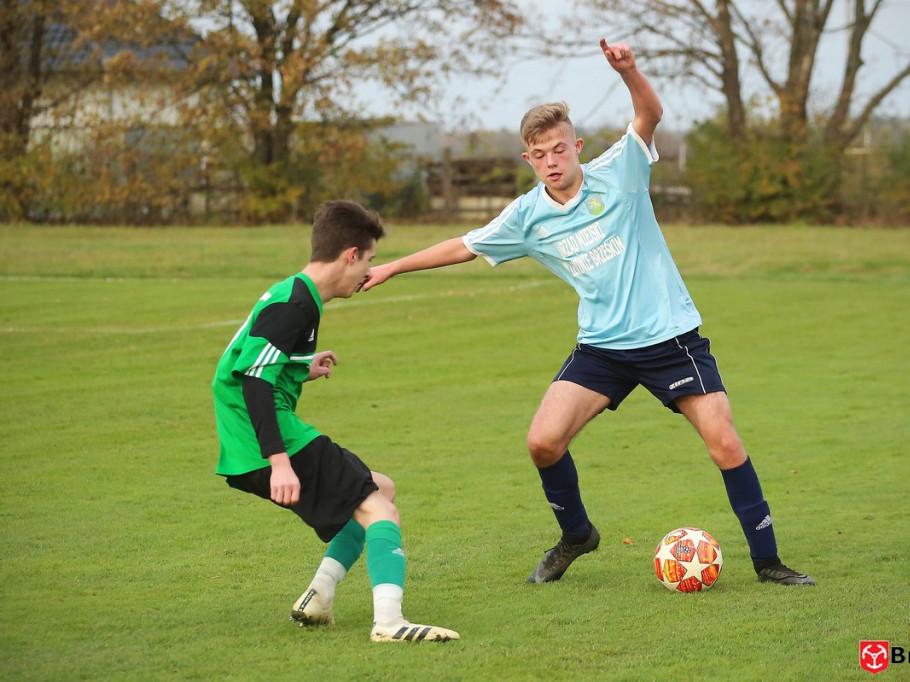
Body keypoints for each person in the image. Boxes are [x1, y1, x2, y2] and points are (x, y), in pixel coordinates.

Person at [362, 40, 815, 587]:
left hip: (669, 338)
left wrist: (629, 71)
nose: (551, 162)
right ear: (527, 160)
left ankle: (768, 562)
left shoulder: (620, 169)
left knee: (725, 442)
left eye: (559, 149)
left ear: (575, 145)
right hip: (602, 347)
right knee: (542, 442)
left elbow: (650, 114)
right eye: (539, 154)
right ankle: (577, 534)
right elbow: (464, 245)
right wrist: (391, 268)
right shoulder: (526, 215)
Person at [212, 199, 460, 642]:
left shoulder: (297, 293)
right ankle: (389, 623)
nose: (368, 272)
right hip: (264, 436)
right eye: (369, 260)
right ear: (350, 254)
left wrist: (300, 367)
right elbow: (252, 379)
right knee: (380, 508)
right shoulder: (295, 306)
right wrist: (280, 461)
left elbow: (252, 361)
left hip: (251, 436)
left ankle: (318, 597)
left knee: (378, 488)